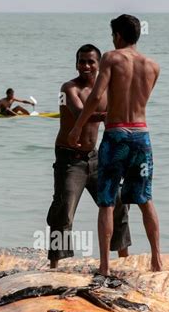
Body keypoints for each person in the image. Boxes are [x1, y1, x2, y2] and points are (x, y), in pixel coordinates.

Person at [67, 14, 162, 275]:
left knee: (107, 201)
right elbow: (141, 100)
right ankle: (156, 260)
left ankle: (105, 266)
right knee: (145, 199)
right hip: (142, 135)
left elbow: (97, 96)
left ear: (117, 35)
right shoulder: (153, 66)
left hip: (116, 134)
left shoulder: (111, 57)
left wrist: (77, 127)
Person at [46, 44, 131, 268]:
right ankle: (55, 265)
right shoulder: (69, 88)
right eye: (82, 61)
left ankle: (124, 259)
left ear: (99, 64)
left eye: (91, 61)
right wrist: (110, 114)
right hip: (69, 159)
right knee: (64, 210)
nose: (86, 65)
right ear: (76, 64)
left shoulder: (105, 90)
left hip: (95, 158)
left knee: (119, 202)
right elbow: (79, 114)